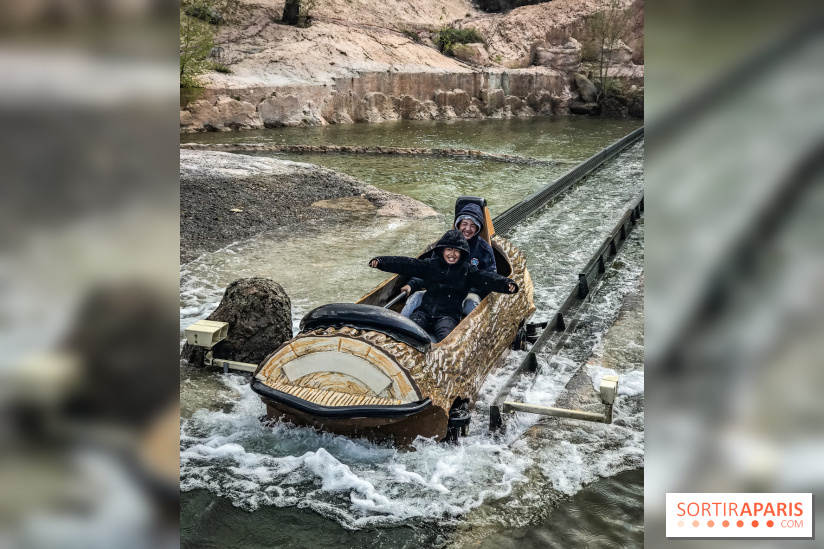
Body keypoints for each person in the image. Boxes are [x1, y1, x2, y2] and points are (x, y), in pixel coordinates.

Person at [369, 230, 517, 343]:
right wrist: (381, 262)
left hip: (447, 316)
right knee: (408, 334)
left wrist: (506, 284)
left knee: (446, 340)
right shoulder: (430, 265)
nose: (452, 254)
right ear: (442, 251)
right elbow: (406, 264)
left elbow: (488, 278)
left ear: (462, 253)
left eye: (456, 251)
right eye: (448, 250)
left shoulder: (467, 271)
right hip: (424, 313)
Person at [401, 202, 497, 318]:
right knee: (416, 297)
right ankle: (397, 328)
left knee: (472, 302)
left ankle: (476, 332)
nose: (467, 229)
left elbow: (490, 277)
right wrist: (411, 284)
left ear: (478, 227)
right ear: (458, 225)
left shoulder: (484, 249)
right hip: (441, 290)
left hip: (468, 294)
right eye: (464, 224)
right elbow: (429, 269)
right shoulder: (444, 244)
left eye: (472, 225)